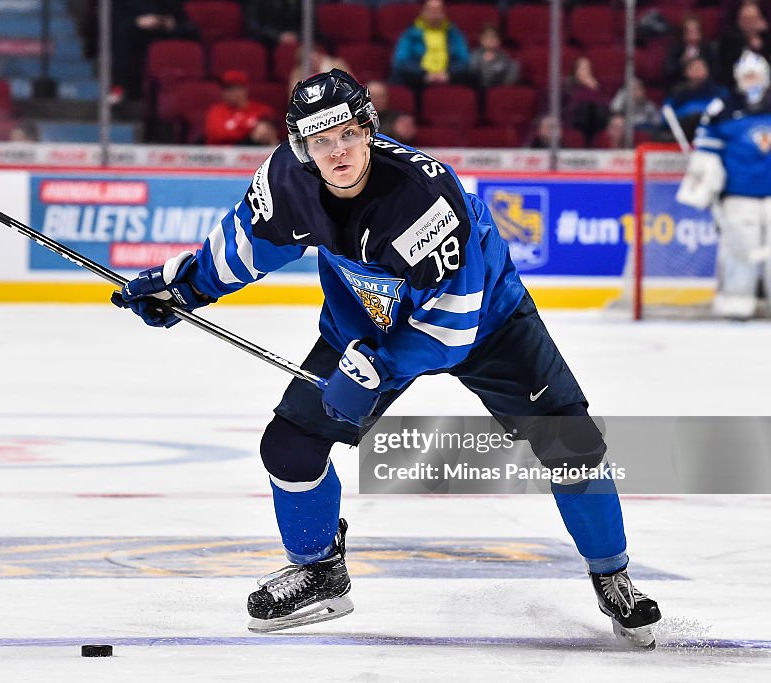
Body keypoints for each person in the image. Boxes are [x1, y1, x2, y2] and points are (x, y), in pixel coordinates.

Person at [113, 69, 663, 648]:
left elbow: (453, 325)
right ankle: (319, 570)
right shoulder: (288, 182)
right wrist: (185, 289)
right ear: (302, 146)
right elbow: (246, 244)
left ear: (368, 130)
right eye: (320, 142)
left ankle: (612, 575)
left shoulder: (423, 197)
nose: (337, 152)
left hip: (488, 320)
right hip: (364, 322)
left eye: (347, 134)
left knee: (570, 440)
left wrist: (377, 371)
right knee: (290, 445)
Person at [676, 51, 771, 319]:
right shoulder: (723, 108)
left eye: (755, 75)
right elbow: (707, 151)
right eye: (746, 76)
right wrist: (705, 182)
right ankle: (736, 301)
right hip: (739, 196)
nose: (751, 80)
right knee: (740, 249)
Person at [390, 0, 470, 89]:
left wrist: (448, 73)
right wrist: (424, 74)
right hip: (417, 81)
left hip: (448, 79)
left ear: (444, 13)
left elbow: (464, 62)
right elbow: (400, 63)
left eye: (438, 11)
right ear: (423, 12)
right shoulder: (410, 35)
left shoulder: (455, 35)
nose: (435, 15)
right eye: (431, 10)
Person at [204, 70, 279, 146]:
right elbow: (220, 135)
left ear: (244, 89)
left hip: (255, 155)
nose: (226, 93)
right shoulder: (216, 111)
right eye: (224, 89)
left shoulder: (262, 110)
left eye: (231, 88)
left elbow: (269, 133)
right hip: (223, 155)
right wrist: (251, 134)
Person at [664, 57, 728, 142]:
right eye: (694, 68)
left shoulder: (719, 92)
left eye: (702, 67)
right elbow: (666, 115)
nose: (698, 71)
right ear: (686, 72)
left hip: (711, 131)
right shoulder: (678, 93)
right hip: (683, 133)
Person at [716, 0, 771, 88]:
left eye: (753, 19)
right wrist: (748, 40)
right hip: (736, 88)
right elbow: (728, 69)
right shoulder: (729, 40)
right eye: (746, 19)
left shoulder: (767, 38)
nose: (750, 24)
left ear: (761, 20)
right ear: (739, 21)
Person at [663, 13, 717, 90]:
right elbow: (669, 72)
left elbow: (716, 70)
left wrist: (703, 69)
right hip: (682, 87)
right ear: (683, 33)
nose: (693, 35)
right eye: (689, 31)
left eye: (696, 31)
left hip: (705, 85)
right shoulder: (676, 49)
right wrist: (681, 63)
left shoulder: (707, 48)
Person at [564, 56, 609, 147]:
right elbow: (571, 103)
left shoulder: (597, 86)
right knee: (585, 108)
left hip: (596, 121)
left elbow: (604, 104)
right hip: (576, 120)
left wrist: (595, 89)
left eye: (588, 68)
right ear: (575, 70)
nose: (585, 71)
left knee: (595, 109)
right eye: (582, 68)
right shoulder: (569, 86)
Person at [467, 24, 519, 91]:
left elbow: (511, 76)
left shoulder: (504, 57)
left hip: (498, 89)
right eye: (487, 37)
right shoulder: (474, 56)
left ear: (499, 41)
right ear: (481, 40)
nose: (490, 40)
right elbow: (471, 74)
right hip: (478, 89)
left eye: (494, 37)